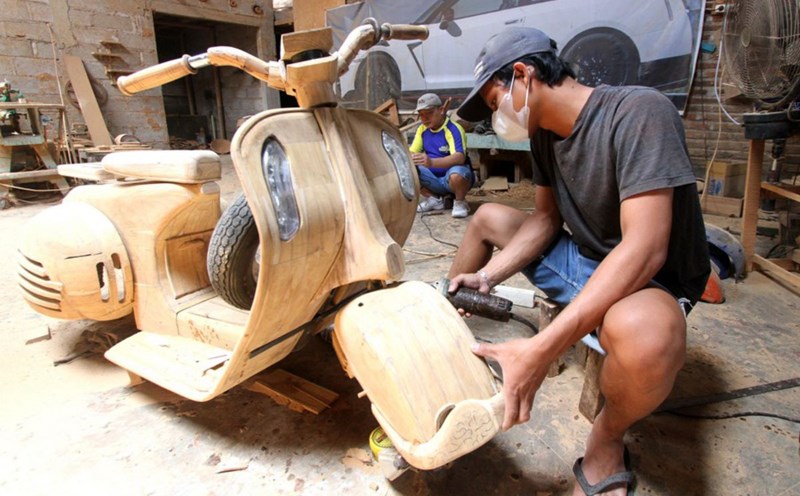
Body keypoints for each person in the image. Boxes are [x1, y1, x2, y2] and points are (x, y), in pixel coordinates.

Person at [448, 27, 710, 495]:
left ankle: (606, 438)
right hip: (585, 259)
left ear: (524, 76)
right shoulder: (544, 136)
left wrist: (542, 347)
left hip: (649, 282)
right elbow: (546, 221)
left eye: (493, 103)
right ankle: (447, 337)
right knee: (486, 216)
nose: (495, 118)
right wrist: (488, 276)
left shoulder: (639, 112)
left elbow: (645, 249)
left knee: (649, 339)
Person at [410, 93, 475, 218]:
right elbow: (412, 151)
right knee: (408, 169)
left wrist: (432, 162)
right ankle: (434, 199)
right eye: (421, 114)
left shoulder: (453, 129)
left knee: (457, 174)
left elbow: (459, 157)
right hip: (433, 178)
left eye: (428, 113)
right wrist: (410, 157)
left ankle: (460, 202)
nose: (424, 118)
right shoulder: (422, 129)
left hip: (454, 180)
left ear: (441, 110)